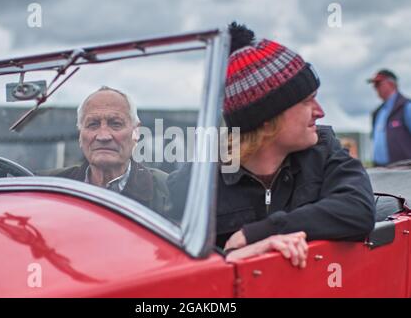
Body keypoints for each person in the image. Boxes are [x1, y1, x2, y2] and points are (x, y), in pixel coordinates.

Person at [168, 23, 375, 266]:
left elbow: (358, 210)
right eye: (308, 102)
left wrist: (263, 231)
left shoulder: (325, 148)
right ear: (266, 120)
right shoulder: (199, 179)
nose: (320, 112)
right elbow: (173, 261)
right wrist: (231, 257)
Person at [42, 86, 170, 213]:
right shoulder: (46, 187)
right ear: (80, 135)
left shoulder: (170, 191)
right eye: (93, 124)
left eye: (116, 124)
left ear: (136, 132)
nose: (103, 136)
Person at [367, 69, 411, 166]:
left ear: (391, 84)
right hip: (381, 170)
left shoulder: (406, 107)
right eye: (374, 85)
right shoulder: (377, 112)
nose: (375, 88)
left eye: (378, 84)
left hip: (404, 171)